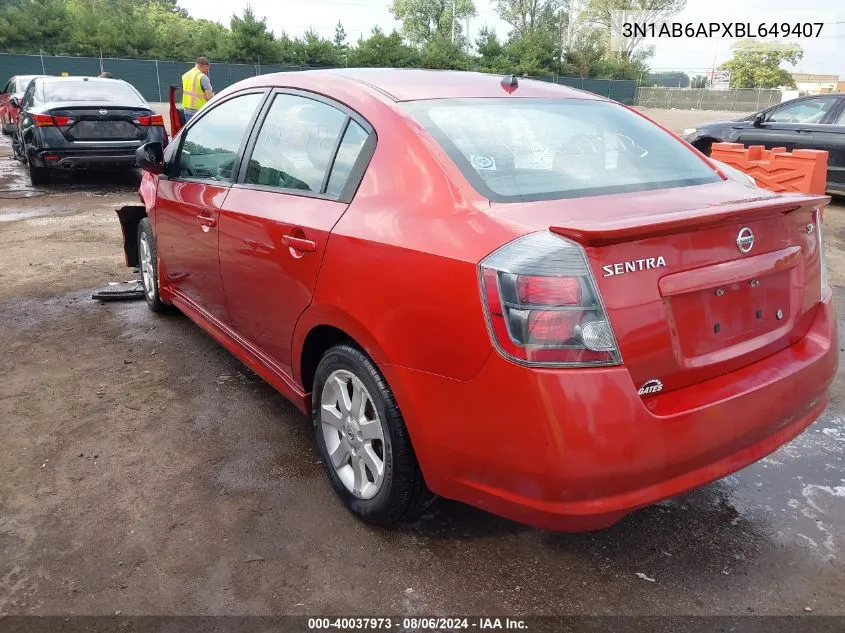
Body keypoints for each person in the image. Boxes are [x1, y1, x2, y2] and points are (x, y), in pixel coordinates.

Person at [181, 57, 214, 122]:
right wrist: (213, 95)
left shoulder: (185, 75)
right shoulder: (202, 77)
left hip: (186, 112)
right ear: (204, 66)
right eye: (207, 69)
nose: (207, 71)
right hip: (199, 113)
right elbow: (210, 97)